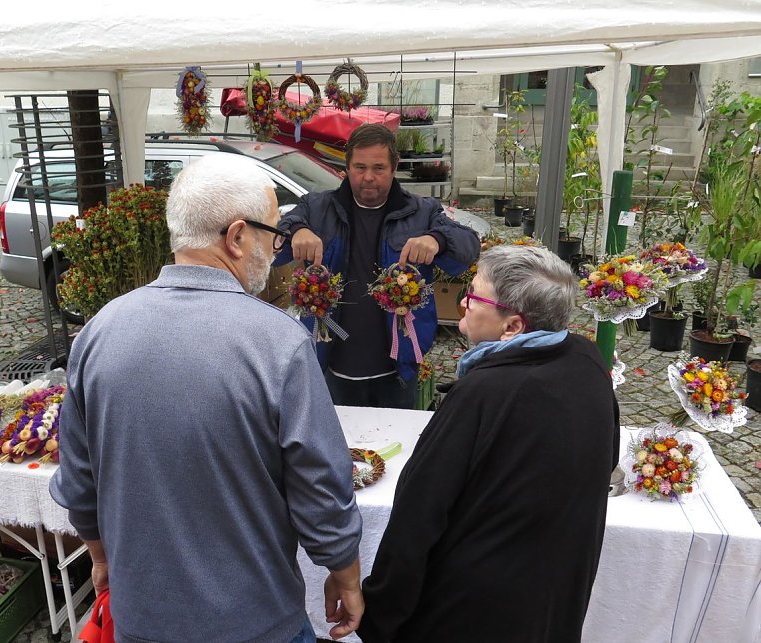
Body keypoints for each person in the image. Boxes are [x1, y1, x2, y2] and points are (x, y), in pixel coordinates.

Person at [50, 154, 364, 643]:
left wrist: (100, 554)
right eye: (273, 235)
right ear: (237, 237)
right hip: (255, 622)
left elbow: (78, 477)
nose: (277, 249)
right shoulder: (277, 342)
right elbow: (320, 483)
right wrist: (344, 571)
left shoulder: (99, 331)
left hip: (143, 617)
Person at [357, 244, 620, 643]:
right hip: (552, 598)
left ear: (512, 326)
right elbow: (606, 459)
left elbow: (420, 510)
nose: (462, 302)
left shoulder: (484, 391)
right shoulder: (587, 361)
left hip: (471, 609)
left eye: (475, 295)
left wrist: (380, 613)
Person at [274, 123, 480, 409]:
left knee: (397, 446)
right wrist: (297, 230)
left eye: (378, 168)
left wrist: (437, 240)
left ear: (394, 167)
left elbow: (469, 246)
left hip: (398, 368)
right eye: (359, 167)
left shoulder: (422, 211)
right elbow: (276, 235)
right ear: (346, 168)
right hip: (331, 363)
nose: (368, 177)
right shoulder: (317, 207)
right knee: (338, 448)